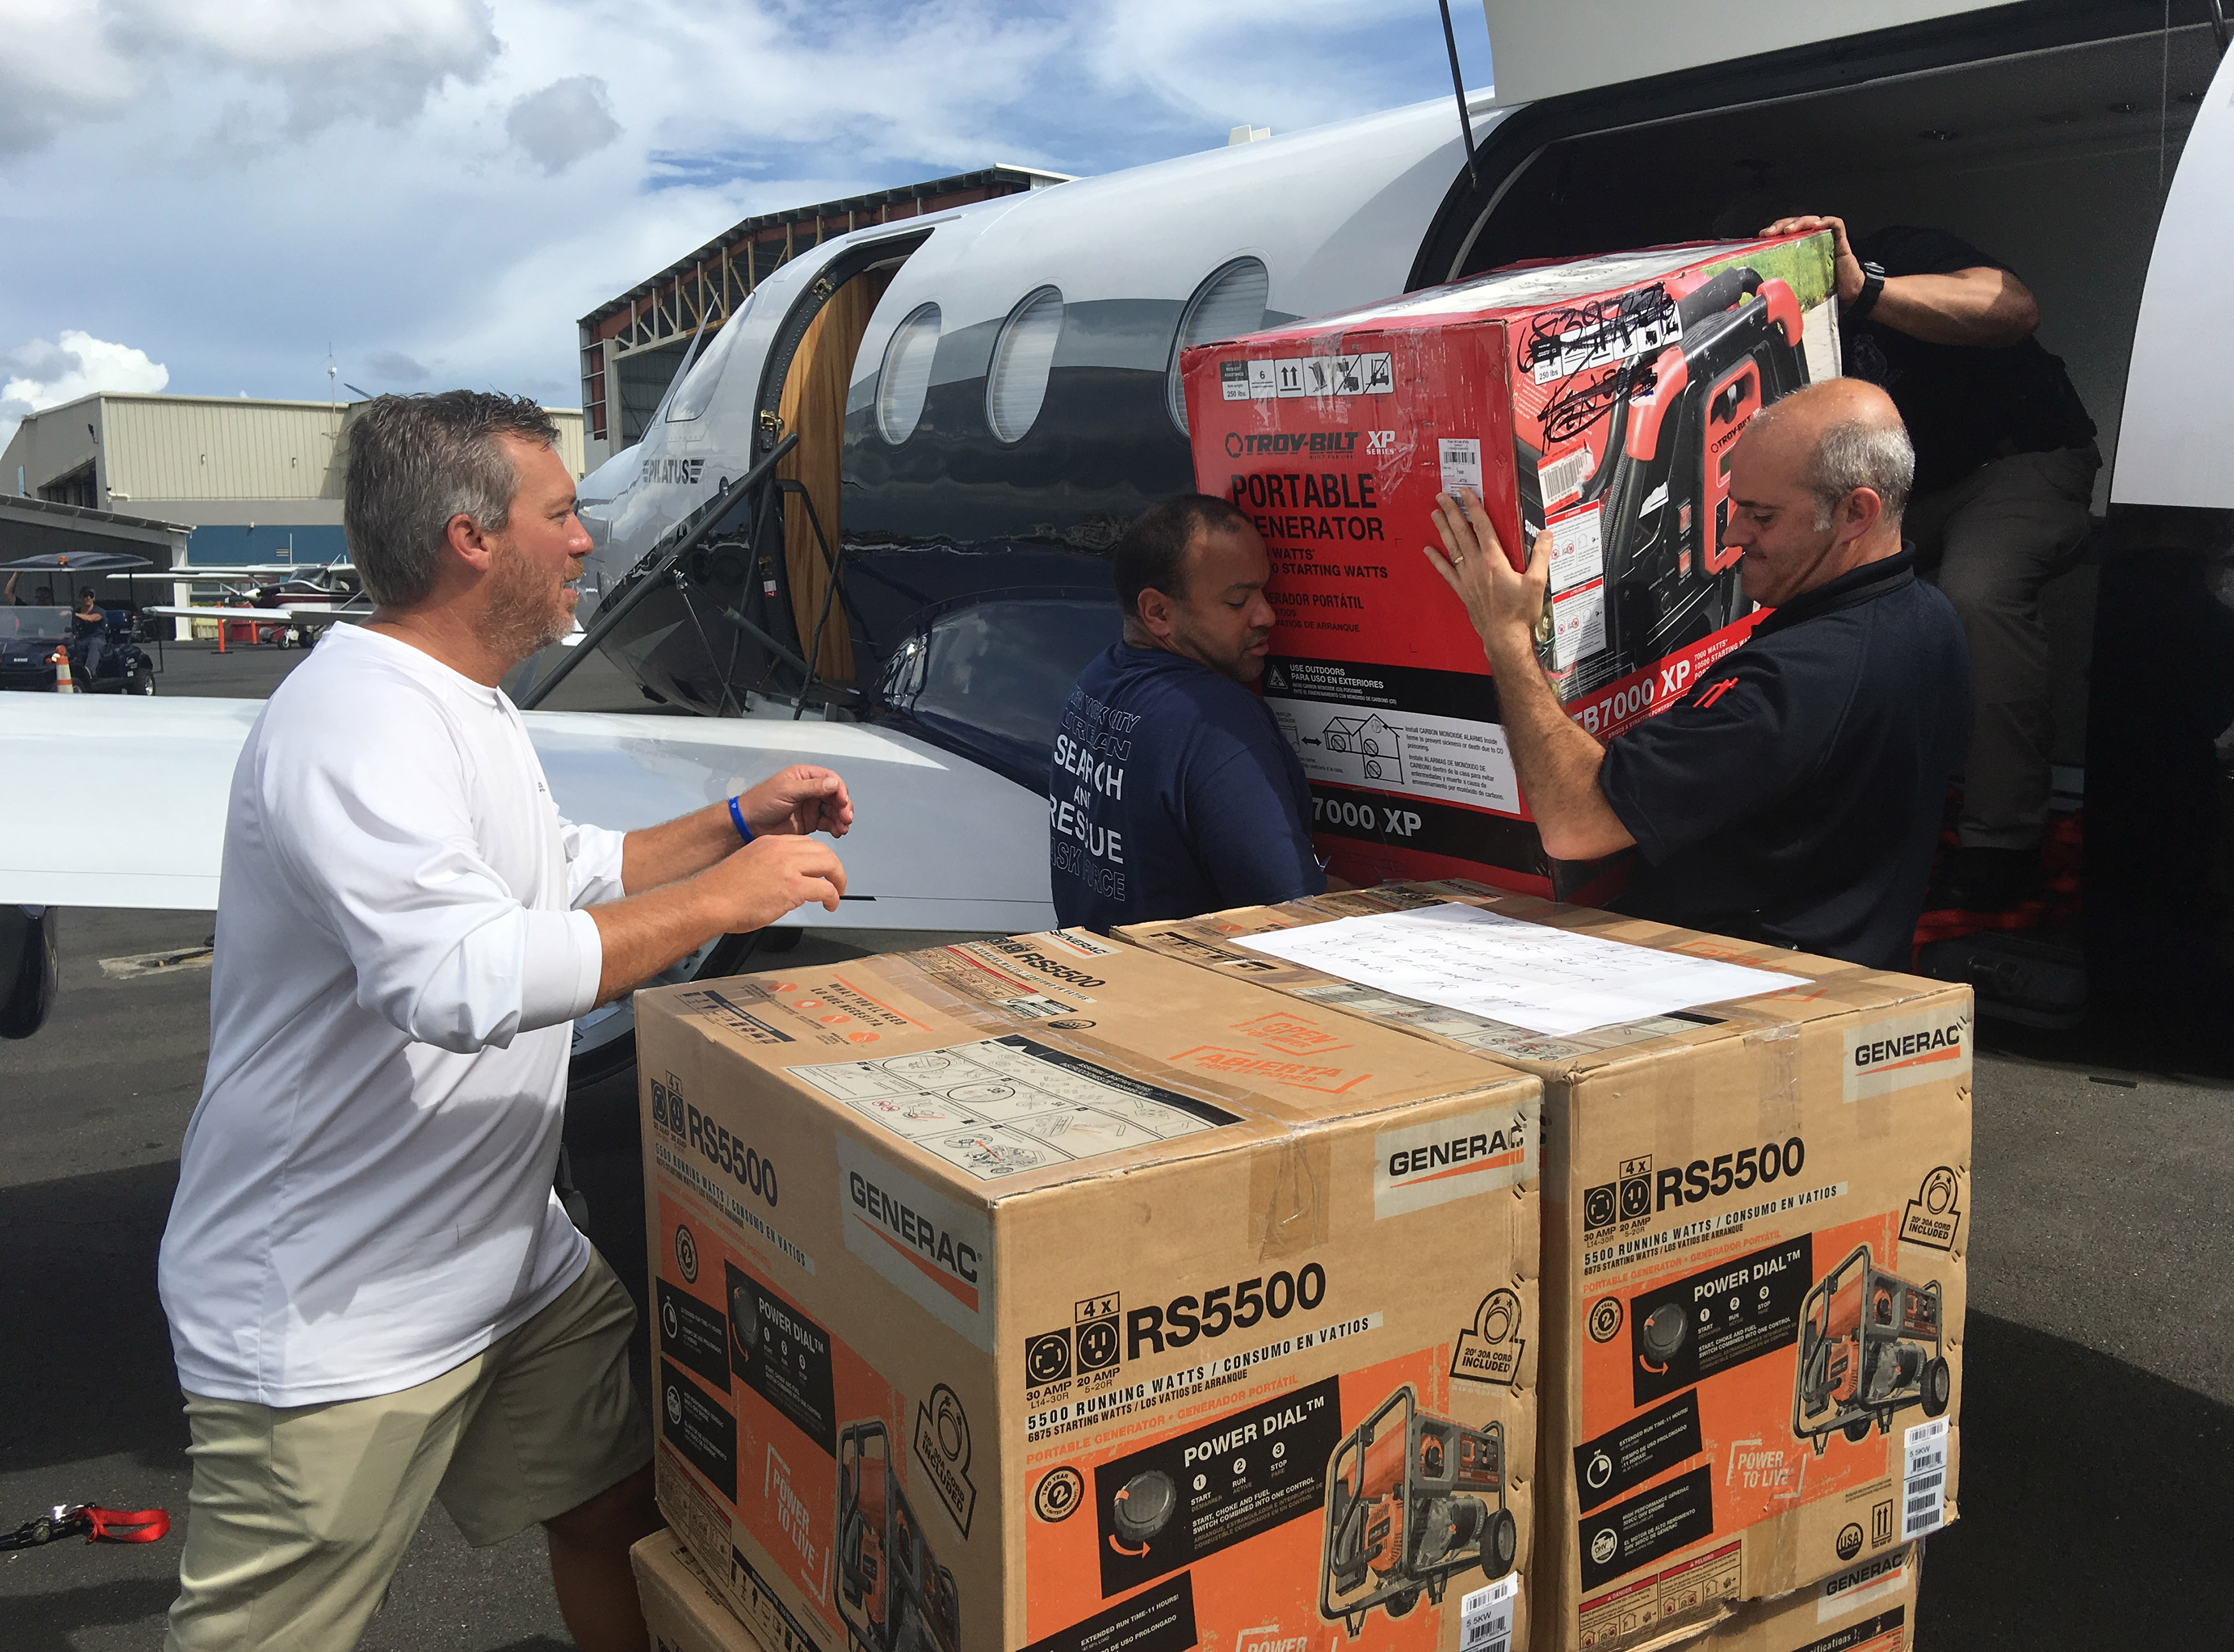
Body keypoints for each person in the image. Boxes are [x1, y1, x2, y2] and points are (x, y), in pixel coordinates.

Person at [158, 391, 855, 1652]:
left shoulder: (462, 696)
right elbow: (458, 973)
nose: (586, 539)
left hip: (507, 1265)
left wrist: (738, 823)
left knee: (616, 1512)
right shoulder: (355, 723)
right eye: (562, 513)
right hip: (339, 1309)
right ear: (473, 539)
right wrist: (718, 897)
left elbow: (558, 868)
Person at [1424, 380, 1969, 970]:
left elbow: (1575, 823)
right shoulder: (1930, 617)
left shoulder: (1797, 681)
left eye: (1762, 517)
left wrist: (1504, 636)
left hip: (1732, 993)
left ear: (1855, 513)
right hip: (1844, 964)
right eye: (1736, 507)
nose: (1734, 535)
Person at [1763, 214, 2097, 910]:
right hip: (1905, 491)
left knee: (1977, 593)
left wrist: (1864, 289)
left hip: (2017, 459)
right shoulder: (1765, 324)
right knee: (1795, 596)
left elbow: (2010, 307)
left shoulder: (1895, 252)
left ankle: (1999, 847)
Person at [1049, 493, 1325, 931]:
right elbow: (1296, 919)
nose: (1267, 615)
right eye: (1237, 603)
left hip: (1108, 979)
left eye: (1265, 592)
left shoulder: (1094, 683)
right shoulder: (1216, 725)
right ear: (1158, 612)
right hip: (1202, 991)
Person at [70, 587, 109, 677]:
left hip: (99, 640)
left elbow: (91, 618)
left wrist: (72, 614)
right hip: (82, 640)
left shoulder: (100, 611)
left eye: (91, 596)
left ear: (94, 598)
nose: (88, 598)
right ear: (80, 597)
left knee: (94, 643)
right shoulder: (77, 612)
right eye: (85, 595)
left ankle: (89, 672)